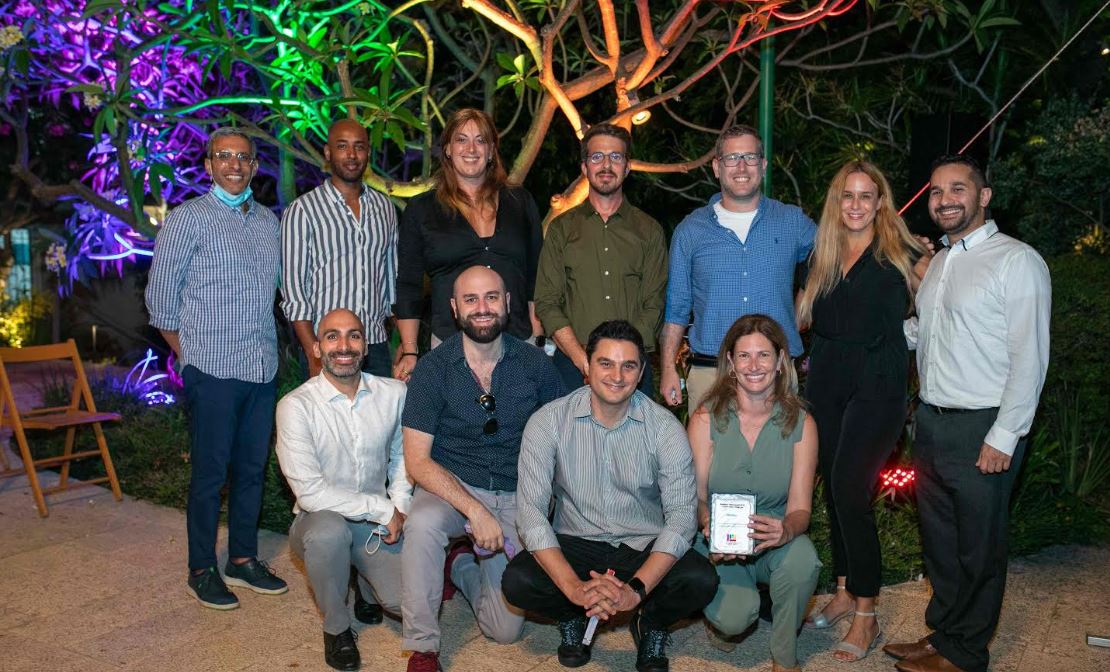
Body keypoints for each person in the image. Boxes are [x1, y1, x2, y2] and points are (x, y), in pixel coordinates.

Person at [884, 155, 1051, 672]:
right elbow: (928, 332)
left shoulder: (1016, 261)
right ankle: (944, 634)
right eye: (936, 192)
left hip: (983, 425)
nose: (945, 200)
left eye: (958, 189)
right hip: (933, 422)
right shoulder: (940, 263)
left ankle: (967, 651)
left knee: (979, 546)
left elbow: (1030, 356)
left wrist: (1005, 434)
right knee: (941, 541)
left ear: (984, 196)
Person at [503, 320, 718, 672]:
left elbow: (681, 517)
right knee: (518, 580)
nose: (617, 376)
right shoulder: (548, 422)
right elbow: (531, 514)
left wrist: (635, 591)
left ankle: (650, 622)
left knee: (700, 579)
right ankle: (572, 614)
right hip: (576, 541)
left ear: (641, 372)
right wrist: (574, 588)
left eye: (628, 366)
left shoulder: (665, 428)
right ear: (587, 366)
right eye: (605, 363)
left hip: (641, 543)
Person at [145, 127, 287, 610]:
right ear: (208, 165)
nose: (234, 164)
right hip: (211, 368)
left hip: (261, 366)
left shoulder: (269, 223)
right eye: (223, 156)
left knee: (252, 469)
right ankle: (201, 568)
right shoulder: (188, 219)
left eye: (243, 157)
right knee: (210, 475)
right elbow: (160, 302)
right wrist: (191, 359)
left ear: (254, 166)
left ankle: (242, 559)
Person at [399, 266, 564, 672]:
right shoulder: (432, 370)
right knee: (422, 524)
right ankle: (423, 646)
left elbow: (562, 441)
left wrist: (545, 504)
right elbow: (416, 461)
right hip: (453, 486)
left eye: (491, 297)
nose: (483, 308)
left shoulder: (536, 365)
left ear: (507, 302)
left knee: (504, 631)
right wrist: (475, 510)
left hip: (516, 490)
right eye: (470, 300)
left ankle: (460, 566)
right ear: (455, 308)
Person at [794, 161, 927, 661]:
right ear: (836, 202)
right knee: (833, 486)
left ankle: (867, 614)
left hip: (878, 383)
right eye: (847, 195)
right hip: (827, 378)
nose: (855, 205)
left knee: (851, 487)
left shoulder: (903, 253)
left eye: (865, 195)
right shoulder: (821, 255)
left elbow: (945, 302)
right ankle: (845, 589)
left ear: (880, 202)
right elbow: (802, 316)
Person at [275, 308, 411, 671]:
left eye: (354, 335)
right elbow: (310, 493)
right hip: (320, 521)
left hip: (373, 523)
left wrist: (399, 507)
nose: (344, 345)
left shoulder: (394, 393)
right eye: (332, 336)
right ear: (317, 347)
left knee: (406, 602)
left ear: (365, 346)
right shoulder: (295, 407)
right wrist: (382, 509)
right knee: (329, 533)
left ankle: (365, 585)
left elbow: (402, 457)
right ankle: (336, 628)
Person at [688, 314, 821, 672]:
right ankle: (724, 618)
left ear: (780, 361)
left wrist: (787, 530)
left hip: (773, 535)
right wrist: (708, 524)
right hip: (719, 542)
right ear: (730, 363)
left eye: (764, 355)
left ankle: (785, 657)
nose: (754, 365)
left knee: (803, 561)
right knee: (734, 619)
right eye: (744, 356)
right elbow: (695, 496)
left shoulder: (802, 424)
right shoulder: (705, 419)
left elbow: (800, 508)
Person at [661, 125, 816, 412]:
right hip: (711, 375)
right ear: (717, 167)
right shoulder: (690, 231)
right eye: (732, 158)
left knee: (781, 444)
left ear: (763, 165)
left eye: (750, 157)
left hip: (777, 374)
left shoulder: (792, 221)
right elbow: (677, 307)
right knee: (708, 445)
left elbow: (832, 257)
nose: (742, 167)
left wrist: (804, 301)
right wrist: (669, 367)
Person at [393, 109, 543, 380]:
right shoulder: (421, 209)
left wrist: (538, 336)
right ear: (448, 149)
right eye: (461, 140)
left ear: (491, 150)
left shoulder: (520, 201)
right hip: (451, 346)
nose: (471, 149)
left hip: (518, 342)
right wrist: (410, 350)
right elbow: (408, 285)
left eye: (480, 140)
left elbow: (536, 274)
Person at [534, 124, 668, 394]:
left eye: (615, 157)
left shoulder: (649, 230)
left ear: (627, 167)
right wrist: (582, 360)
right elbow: (547, 302)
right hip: (572, 368)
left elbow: (654, 304)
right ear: (585, 167)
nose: (606, 165)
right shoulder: (561, 229)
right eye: (597, 157)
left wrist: (622, 361)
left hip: (632, 370)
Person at [281, 118, 398, 378]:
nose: (352, 154)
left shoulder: (384, 208)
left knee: (384, 407)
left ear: (368, 152)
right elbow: (294, 292)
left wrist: (404, 344)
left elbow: (392, 283)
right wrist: (313, 353)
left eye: (359, 146)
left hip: (374, 346)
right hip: (327, 348)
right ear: (328, 152)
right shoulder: (303, 210)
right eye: (342, 146)